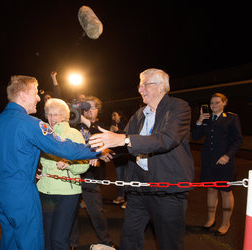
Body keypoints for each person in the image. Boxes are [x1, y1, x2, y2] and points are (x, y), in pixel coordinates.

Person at [0, 75, 100, 250]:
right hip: (24, 195)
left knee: (10, 242)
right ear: (23, 95)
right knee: (31, 242)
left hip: (3, 194)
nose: (39, 98)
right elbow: (63, 148)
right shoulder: (31, 124)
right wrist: (95, 150)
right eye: (35, 93)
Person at [90, 68, 194, 250]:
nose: (140, 89)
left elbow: (167, 139)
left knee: (169, 242)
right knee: (130, 237)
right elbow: (125, 141)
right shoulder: (139, 114)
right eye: (139, 84)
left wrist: (123, 139)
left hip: (167, 187)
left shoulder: (178, 107)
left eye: (145, 84)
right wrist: (102, 150)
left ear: (161, 87)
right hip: (139, 185)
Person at [37, 98, 90, 250]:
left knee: (58, 239)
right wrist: (36, 171)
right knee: (46, 239)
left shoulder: (73, 134)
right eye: (49, 114)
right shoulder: (44, 134)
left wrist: (69, 164)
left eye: (56, 114)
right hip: (45, 191)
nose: (52, 118)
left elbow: (84, 164)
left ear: (64, 116)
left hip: (66, 194)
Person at [192, 93, 242, 236]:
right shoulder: (206, 118)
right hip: (208, 161)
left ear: (224, 103)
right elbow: (195, 137)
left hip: (225, 161)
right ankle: (210, 219)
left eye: (217, 102)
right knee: (211, 190)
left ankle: (226, 223)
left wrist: (227, 155)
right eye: (211, 103)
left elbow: (238, 140)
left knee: (225, 192)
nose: (213, 105)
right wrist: (199, 121)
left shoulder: (232, 118)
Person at [71, 96, 114, 248]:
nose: (89, 110)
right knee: (71, 211)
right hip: (73, 173)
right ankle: (72, 243)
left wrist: (99, 153)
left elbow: (108, 146)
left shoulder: (101, 126)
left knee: (96, 212)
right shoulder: (74, 125)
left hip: (91, 175)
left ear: (98, 110)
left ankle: (105, 242)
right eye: (86, 107)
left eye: (93, 107)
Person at [109, 111, 128, 207]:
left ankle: (128, 200)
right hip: (117, 156)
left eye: (115, 115)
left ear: (120, 116)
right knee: (120, 177)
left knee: (128, 178)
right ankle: (121, 196)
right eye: (112, 115)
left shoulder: (126, 124)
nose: (113, 117)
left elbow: (127, 137)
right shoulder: (112, 126)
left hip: (126, 155)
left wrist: (117, 131)